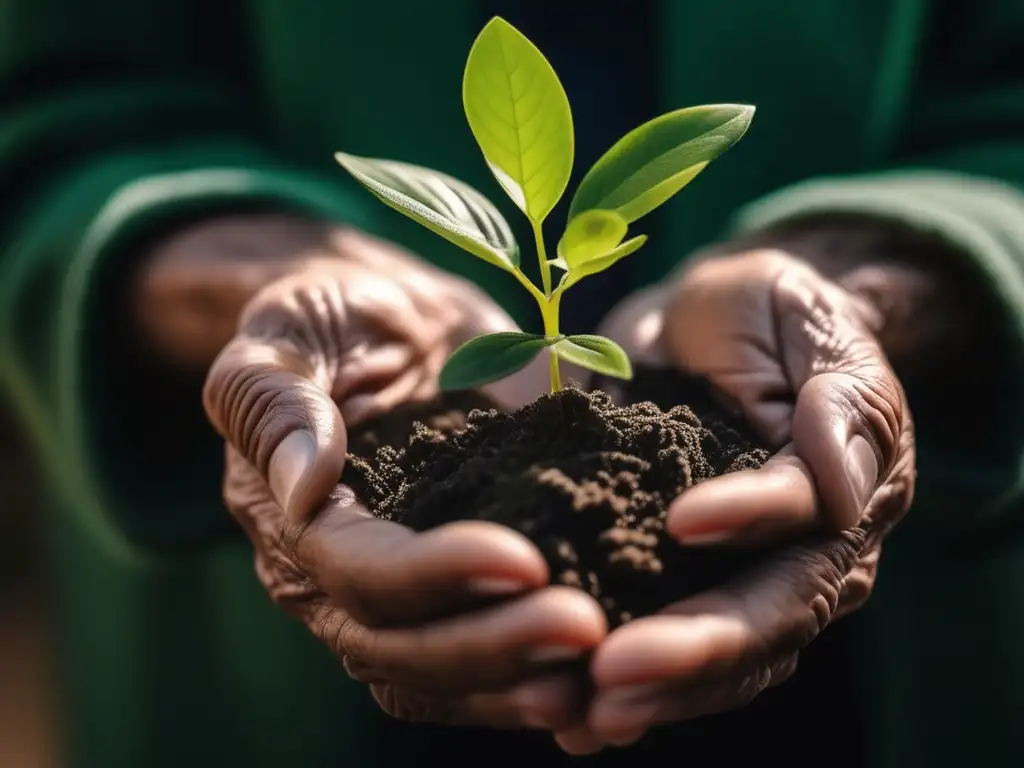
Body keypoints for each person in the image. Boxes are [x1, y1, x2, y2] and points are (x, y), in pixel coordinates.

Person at [2, 0, 1022, 766]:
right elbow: (57, 105)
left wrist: (877, 284)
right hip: (261, 685)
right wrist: (250, 278)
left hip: (913, 657)